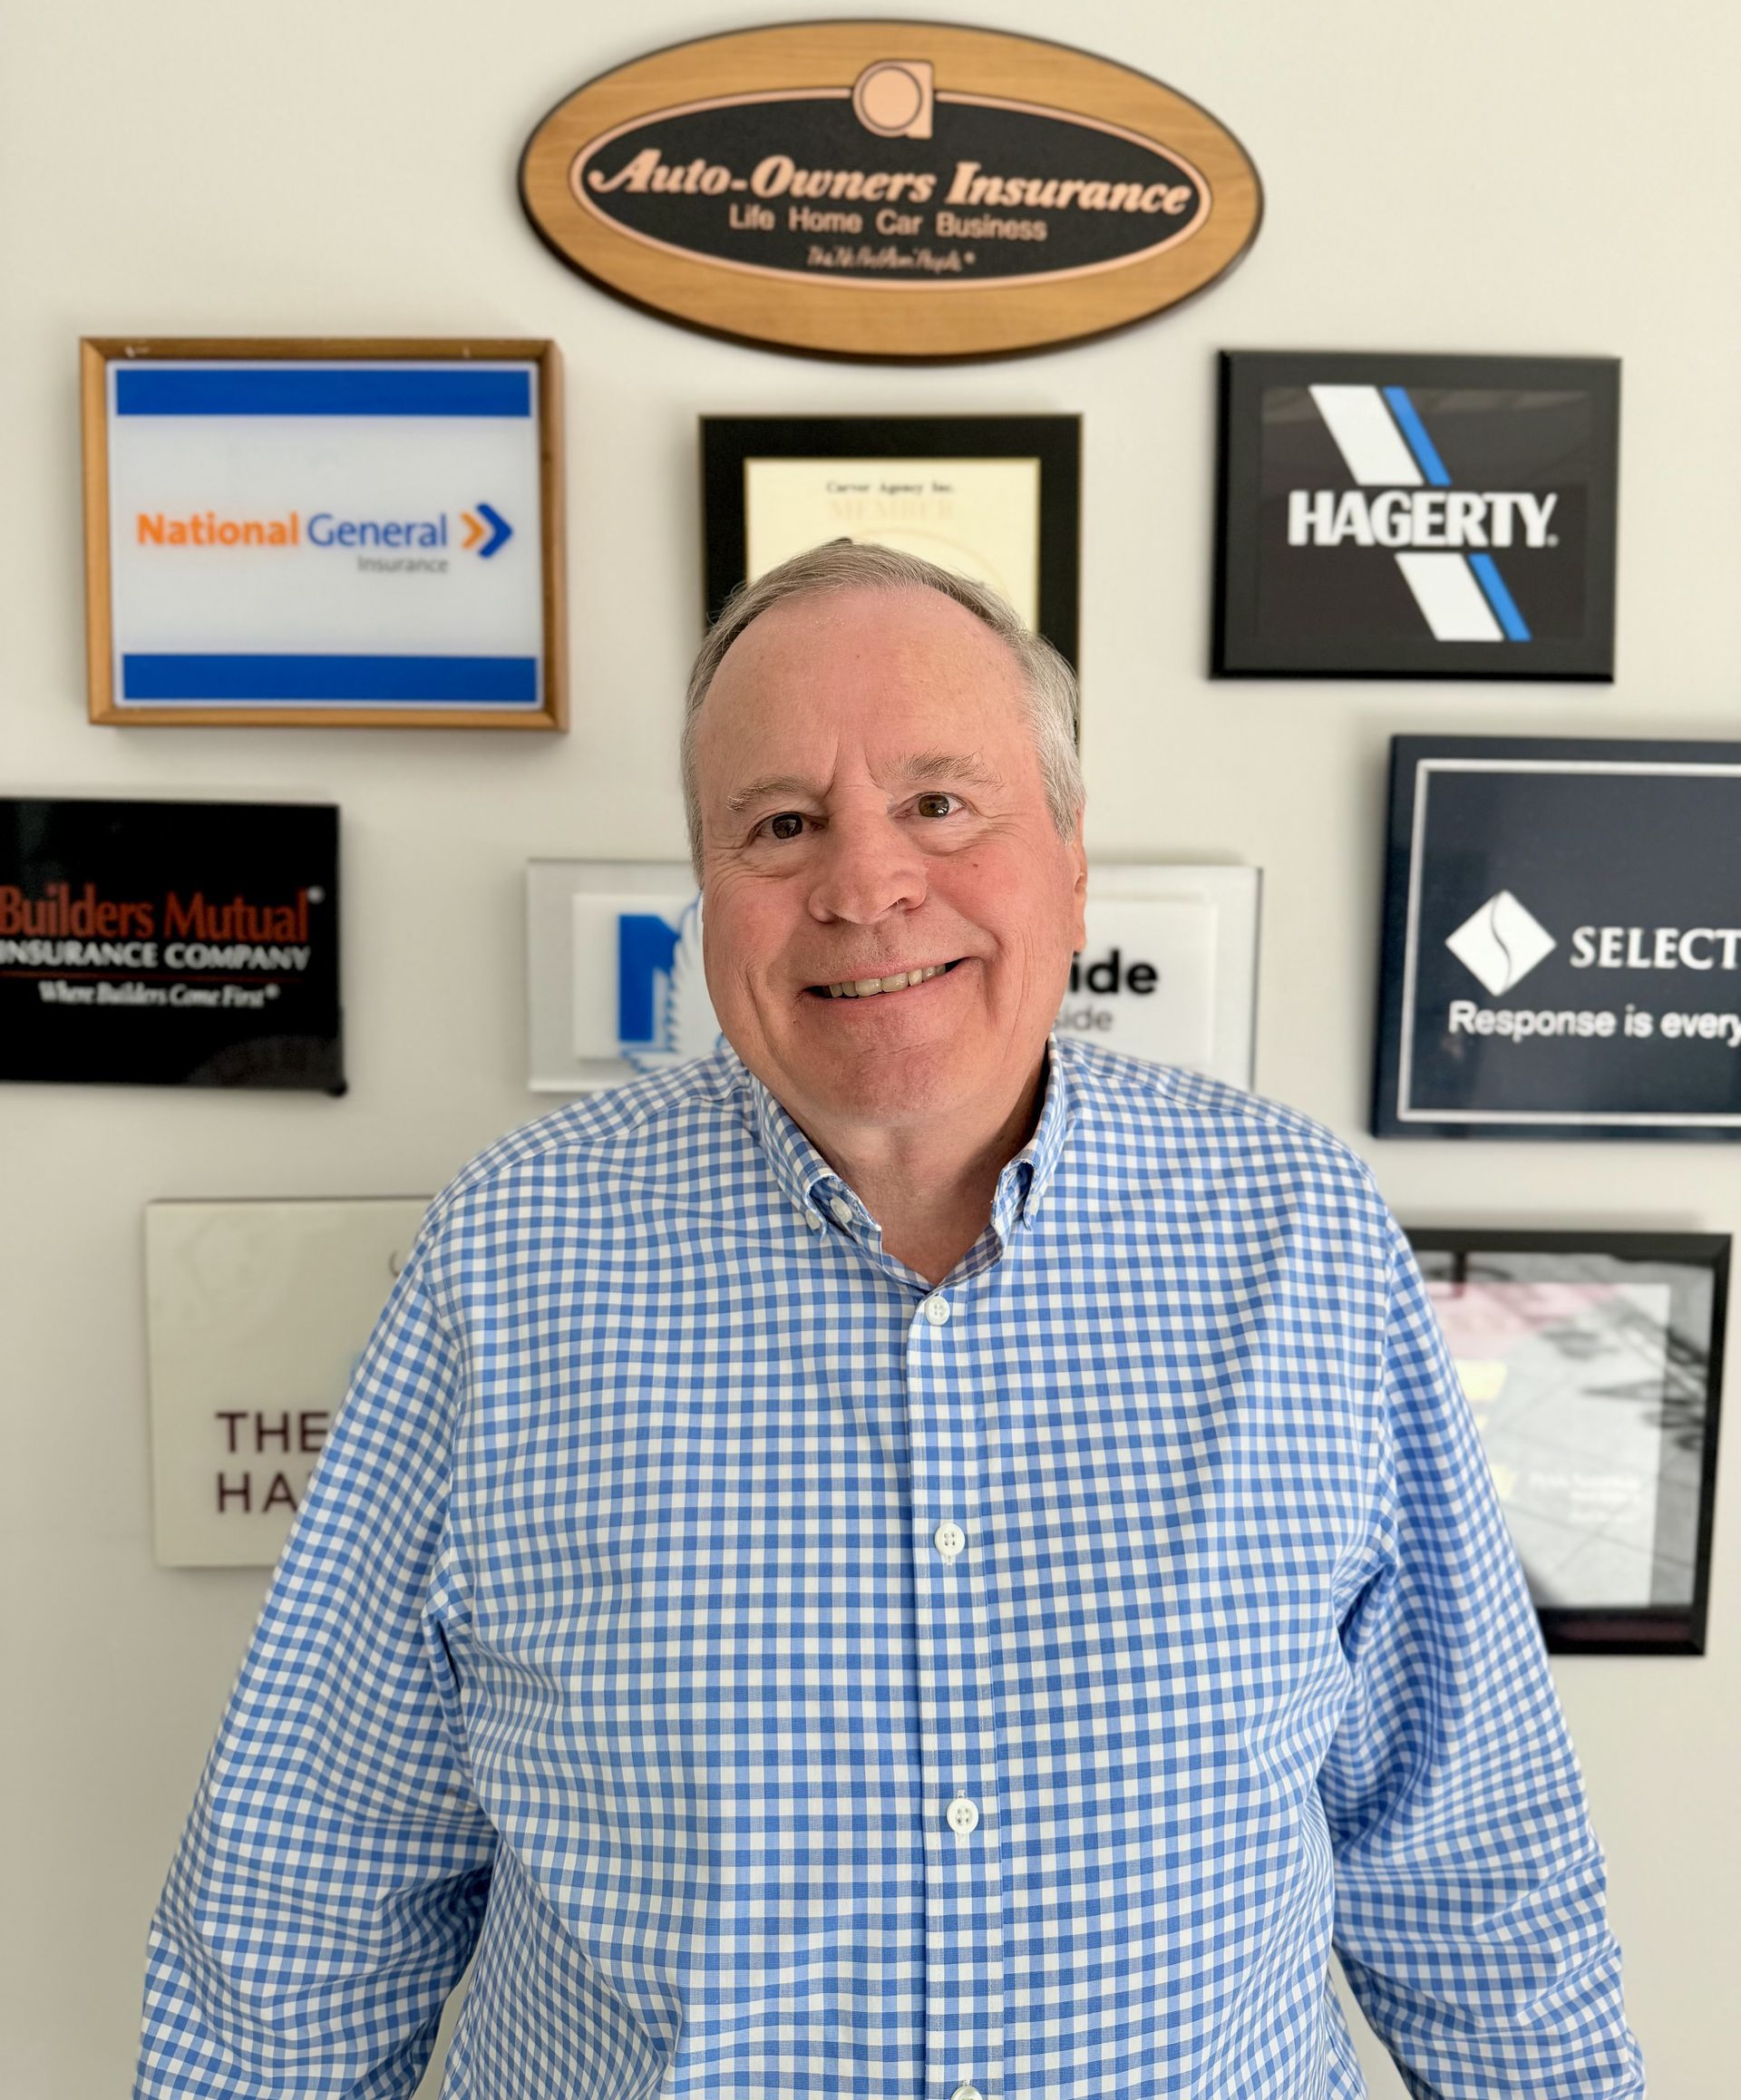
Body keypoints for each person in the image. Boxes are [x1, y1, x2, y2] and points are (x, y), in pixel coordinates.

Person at [136, 541, 1647, 2098]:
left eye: (938, 803)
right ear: (706, 895)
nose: (864, 888)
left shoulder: (1301, 1235)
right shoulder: (511, 1255)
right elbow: (303, 1911)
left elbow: (1477, 1876)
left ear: (1071, 861)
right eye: (782, 825)